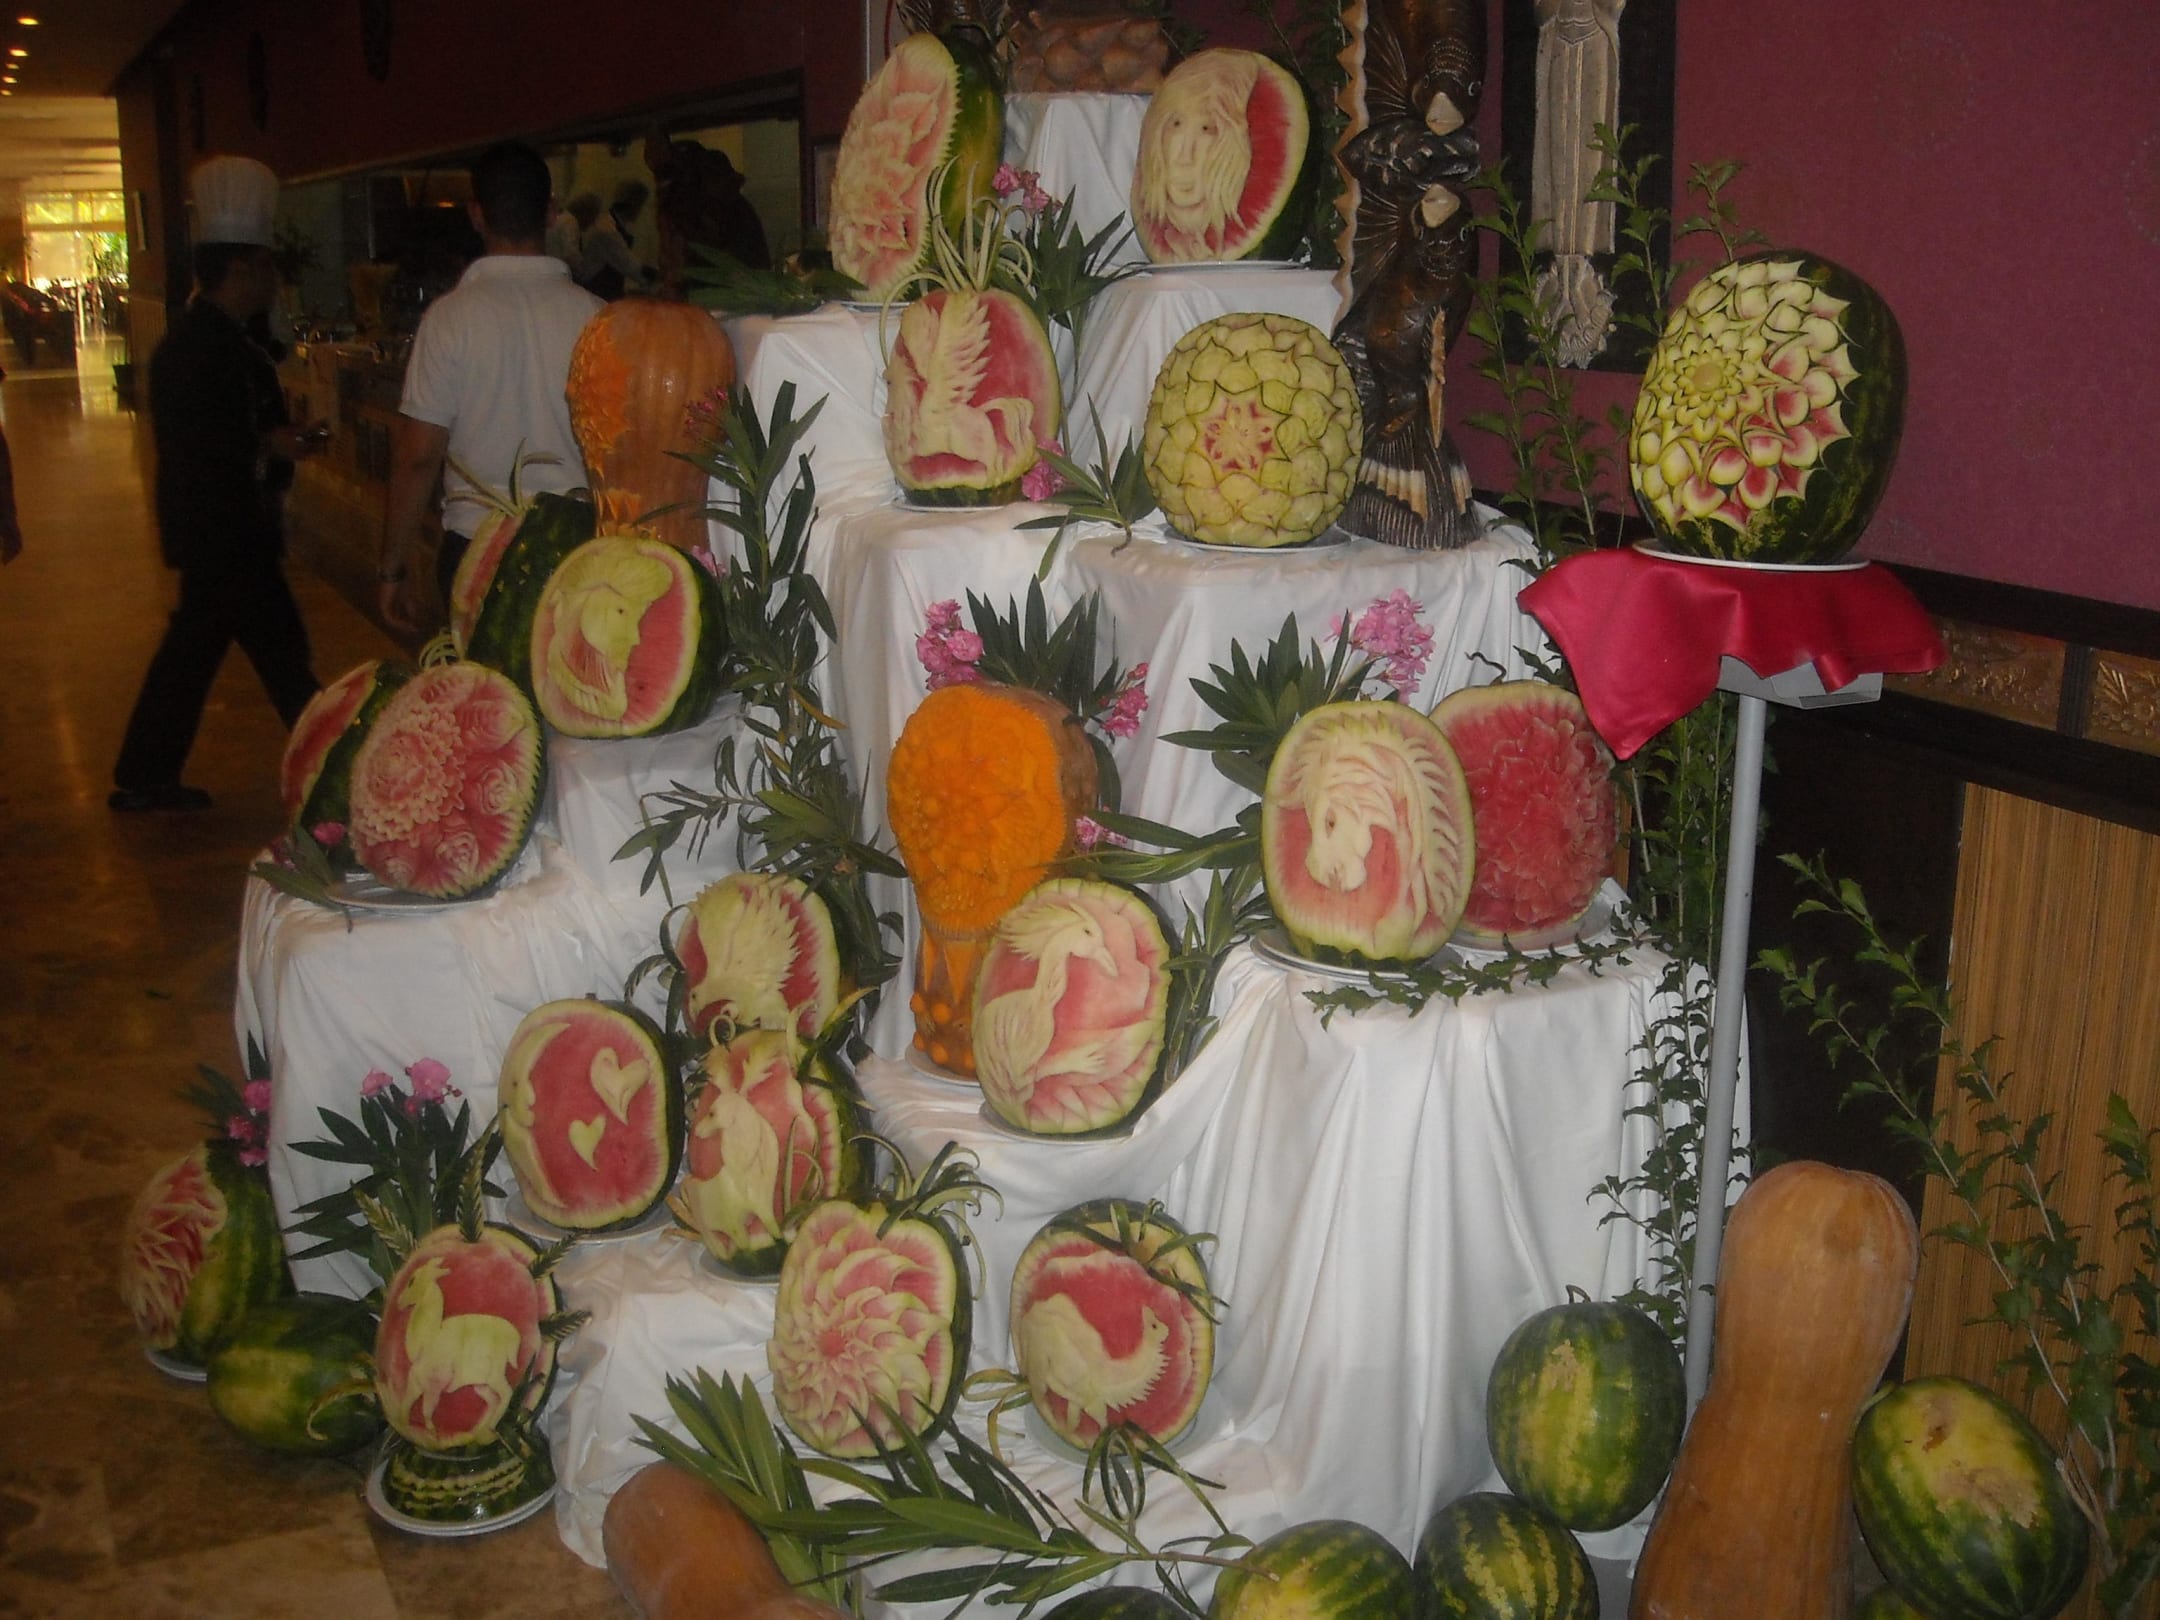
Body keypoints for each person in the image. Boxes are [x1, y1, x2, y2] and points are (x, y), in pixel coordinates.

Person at [110, 156, 329, 813]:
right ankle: (333, 764)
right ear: (241, 269)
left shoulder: (215, 339)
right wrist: (271, 445)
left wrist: (271, 442)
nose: (273, 281)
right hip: (223, 532)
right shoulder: (199, 347)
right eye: (266, 267)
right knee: (261, 654)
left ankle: (149, 772)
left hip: (226, 533)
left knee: (236, 652)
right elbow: (204, 447)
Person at [378, 142, 602, 632]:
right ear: (551, 212)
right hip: (578, 552)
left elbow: (418, 457)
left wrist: (393, 567)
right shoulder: (596, 316)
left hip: (478, 550)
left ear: (476, 215)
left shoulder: (449, 319)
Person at [577, 178, 654, 301]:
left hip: (603, 292)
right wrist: (656, 279)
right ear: (633, 204)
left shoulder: (609, 225)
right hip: (596, 293)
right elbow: (628, 263)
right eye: (640, 205)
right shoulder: (607, 230)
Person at [547, 190, 602, 272]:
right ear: (586, 213)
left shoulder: (559, 218)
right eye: (593, 217)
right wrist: (582, 270)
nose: (593, 223)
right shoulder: (570, 222)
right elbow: (571, 255)